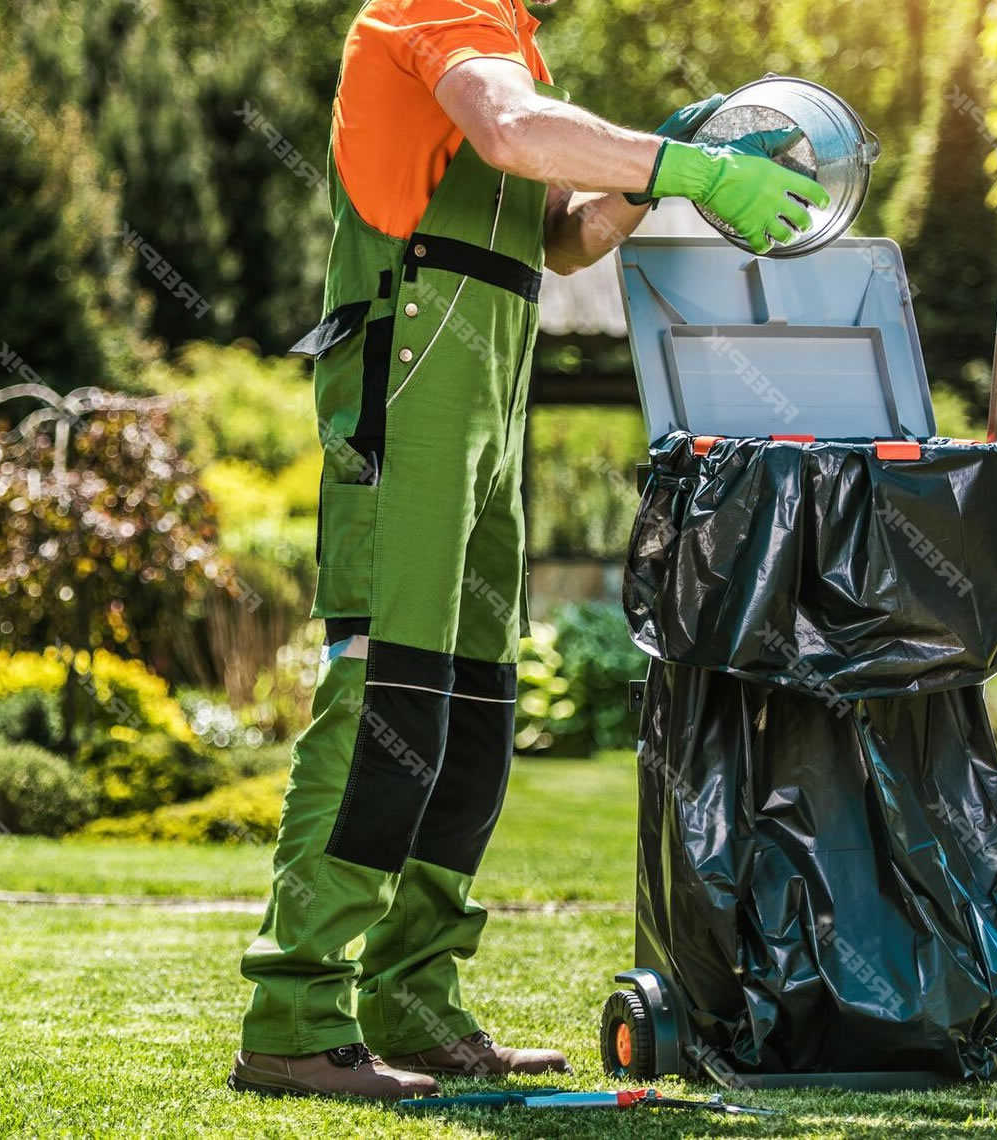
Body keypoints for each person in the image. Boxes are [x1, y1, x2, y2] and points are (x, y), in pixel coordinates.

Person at [231, 0, 827, 1101]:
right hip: (410, 368)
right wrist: (688, 165)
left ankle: (415, 999)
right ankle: (295, 1012)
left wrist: (652, 179)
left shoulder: (511, 32)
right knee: (387, 691)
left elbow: (562, 238)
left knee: (471, 704)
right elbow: (507, 130)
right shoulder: (431, 9)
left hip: (493, 387)